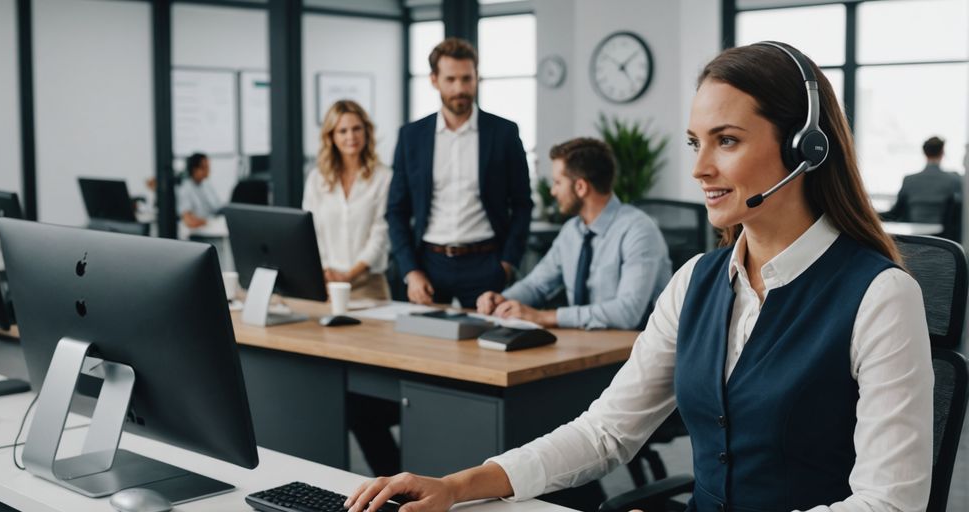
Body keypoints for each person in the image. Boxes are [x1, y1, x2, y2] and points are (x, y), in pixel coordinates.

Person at [346, 42, 933, 512]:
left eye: (726, 141)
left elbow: (890, 501)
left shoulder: (879, 296)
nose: (700, 168)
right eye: (694, 143)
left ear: (805, 148)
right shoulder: (696, 282)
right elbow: (605, 433)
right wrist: (458, 486)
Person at [387, 37, 533, 307]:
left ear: (477, 77)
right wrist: (411, 271)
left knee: (488, 345)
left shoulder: (504, 133)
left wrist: (507, 263)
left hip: (486, 263)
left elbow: (523, 204)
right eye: (451, 80)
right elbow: (396, 210)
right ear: (434, 80)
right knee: (426, 346)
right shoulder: (411, 136)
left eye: (467, 79)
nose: (460, 89)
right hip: (428, 264)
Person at [476, 137, 671, 330]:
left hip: (632, 350)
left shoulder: (639, 231)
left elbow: (627, 313)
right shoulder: (572, 231)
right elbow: (537, 285)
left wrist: (544, 316)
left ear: (580, 187)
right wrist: (503, 299)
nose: (552, 191)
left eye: (558, 183)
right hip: (583, 344)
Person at [303, 100, 392, 301]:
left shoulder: (384, 177)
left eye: (356, 129)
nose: (351, 136)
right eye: (342, 131)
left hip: (369, 285)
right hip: (326, 284)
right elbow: (311, 232)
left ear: (366, 132)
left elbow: (381, 235)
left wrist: (348, 276)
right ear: (331, 136)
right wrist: (327, 271)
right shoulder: (317, 179)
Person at [883, 136, 962, 224]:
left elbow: (895, 213)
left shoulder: (909, 180)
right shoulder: (954, 180)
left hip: (915, 235)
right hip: (943, 236)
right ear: (942, 153)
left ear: (924, 152)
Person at [176, 152, 222, 228]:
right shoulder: (185, 189)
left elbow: (217, 206)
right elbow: (189, 221)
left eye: (208, 167)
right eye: (205, 167)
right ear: (195, 169)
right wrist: (206, 222)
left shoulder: (207, 185)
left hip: (211, 225)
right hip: (198, 232)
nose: (208, 170)